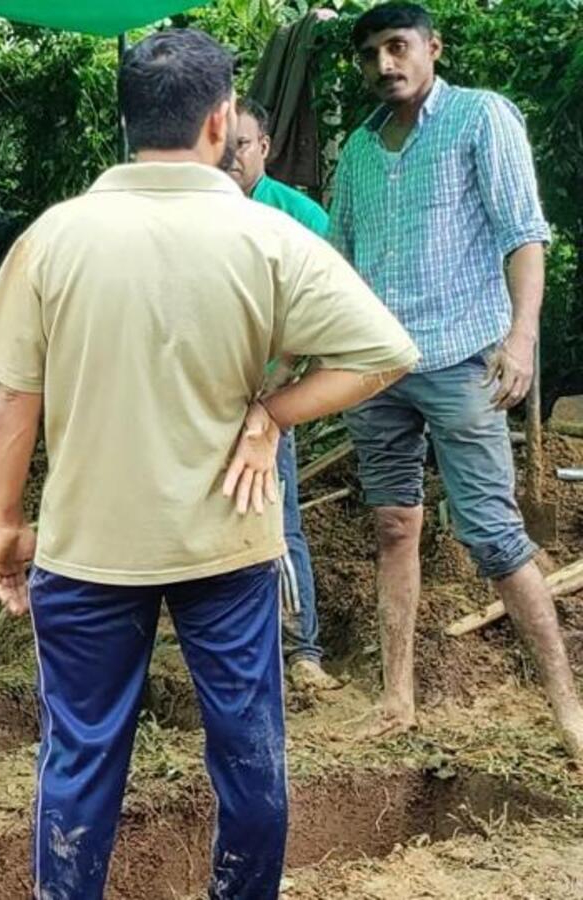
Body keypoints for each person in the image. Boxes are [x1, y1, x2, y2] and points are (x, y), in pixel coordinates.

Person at [0, 29, 418, 899]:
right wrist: (271, 414)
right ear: (220, 121)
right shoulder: (266, 239)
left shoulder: (56, 238)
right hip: (227, 547)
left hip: (89, 550)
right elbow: (386, 354)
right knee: (249, 757)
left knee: (81, 757)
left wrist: (8, 523)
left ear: (128, 121)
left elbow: (16, 398)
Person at [329, 2, 583, 755]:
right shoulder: (360, 154)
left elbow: (523, 233)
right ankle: (397, 697)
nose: (385, 64)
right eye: (371, 52)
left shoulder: (481, 118)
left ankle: (568, 710)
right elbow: (339, 263)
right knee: (391, 525)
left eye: (398, 46)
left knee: (495, 535)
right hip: (375, 370)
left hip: (464, 358)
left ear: (433, 47)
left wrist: (522, 338)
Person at [229, 97, 343, 693]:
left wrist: (287, 374)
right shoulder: (202, 214)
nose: (230, 159)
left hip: (269, 399)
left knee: (278, 517)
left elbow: (330, 303)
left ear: (264, 148)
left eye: (241, 146)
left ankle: (302, 648)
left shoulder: (301, 217)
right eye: (222, 147)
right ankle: (232, 649)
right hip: (204, 396)